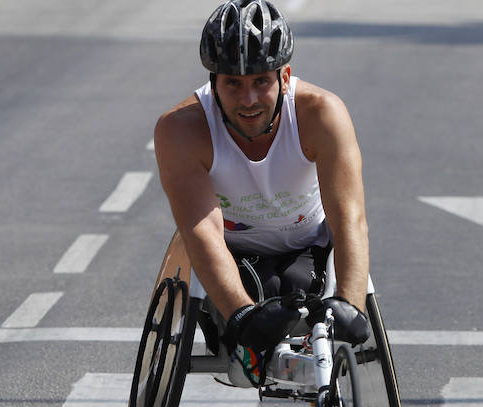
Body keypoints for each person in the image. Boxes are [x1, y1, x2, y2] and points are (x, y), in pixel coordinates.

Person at [154, 0, 370, 386]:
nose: (249, 99)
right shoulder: (180, 130)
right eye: (233, 84)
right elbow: (200, 230)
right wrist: (240, 314)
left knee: (298, 291)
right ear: (213, 85)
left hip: (306, 251)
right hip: (232, 255)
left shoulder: (321, 113)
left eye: (261, 82)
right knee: (256, 300)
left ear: (284, 77)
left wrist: (350, 305)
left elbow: (349, 216)